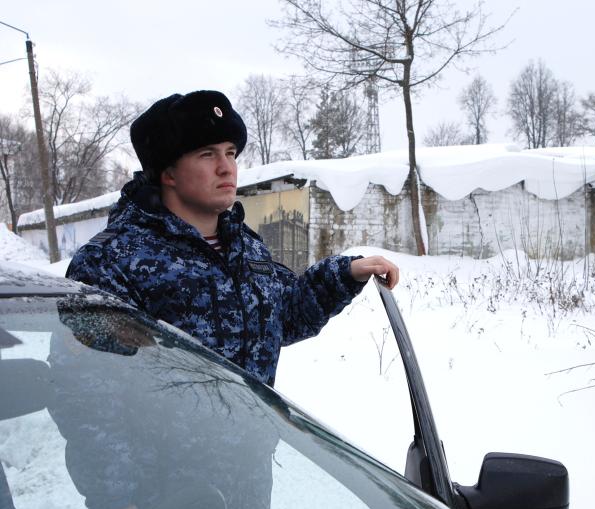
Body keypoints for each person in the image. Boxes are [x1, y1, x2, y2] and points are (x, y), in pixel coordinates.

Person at [67, 90, 399, 388]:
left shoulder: (244, 246)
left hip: (250, 454)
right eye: (207, 155)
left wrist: (343, 274)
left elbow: (285, 315)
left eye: (231, 153)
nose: (227, 168)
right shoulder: (108, 263)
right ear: (168, 173)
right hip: (167, 458)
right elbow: (88, 395)